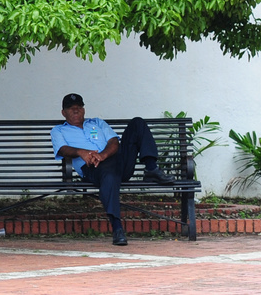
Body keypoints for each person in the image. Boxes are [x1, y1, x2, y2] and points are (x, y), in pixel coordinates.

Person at [50, 93, 175, 246]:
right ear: (63, 113)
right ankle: (117, 228)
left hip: (115, 160)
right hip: (92, 169)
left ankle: (151, 168)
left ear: (84, 110)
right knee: (109, 175)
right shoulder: (58, 131)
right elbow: (62, 149)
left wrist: (103, 155)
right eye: (71, 108)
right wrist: (81, 152)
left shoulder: (97, 123)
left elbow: (114, 141)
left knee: (137, 123)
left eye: (79, 107)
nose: (76, 111)